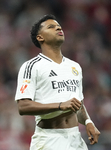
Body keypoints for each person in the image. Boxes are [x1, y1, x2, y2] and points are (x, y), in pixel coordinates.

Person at [15, 14, 100, 150]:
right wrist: (60, 105)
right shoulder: (31, 66)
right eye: (51, 27)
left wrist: (88, 122)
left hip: (75, 139)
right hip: (49, 140)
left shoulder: (74, 67)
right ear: (40, 37)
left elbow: (78, 104)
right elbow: (23, 106)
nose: (58, 28)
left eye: (59, 26)